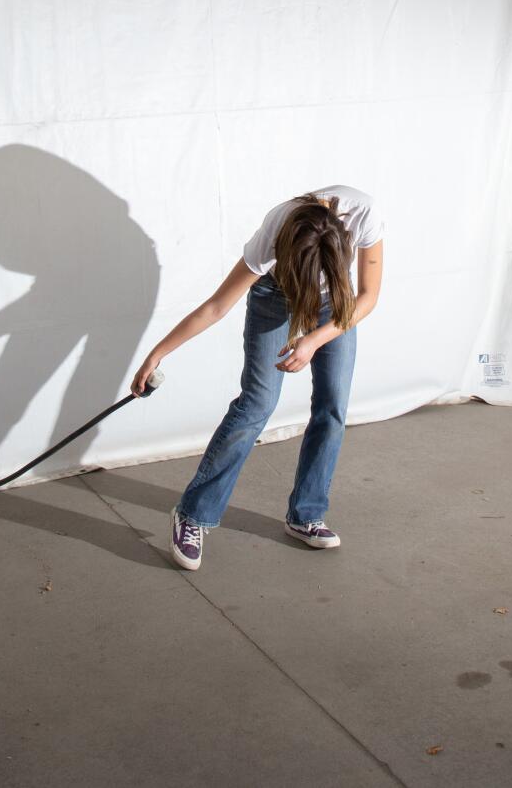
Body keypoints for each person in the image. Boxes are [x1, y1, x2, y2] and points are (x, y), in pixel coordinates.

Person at [129, 186, 385, 571]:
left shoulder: (363, 212)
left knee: (333, 407)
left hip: (337, 302)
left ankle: (305, 514)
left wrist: (314, 339)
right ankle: (193, 515)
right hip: (275, 296)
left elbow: (367, 296)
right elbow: (217, 306)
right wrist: (157, 353)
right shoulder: (274, 229)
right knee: (257, 404)